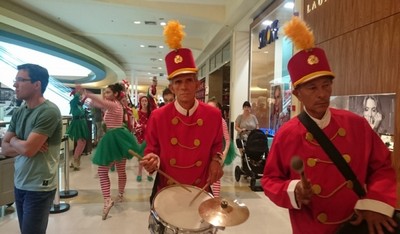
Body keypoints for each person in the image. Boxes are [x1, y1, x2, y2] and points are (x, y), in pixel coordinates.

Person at [261, 16, 397, 234]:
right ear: (297, 93)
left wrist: (375, 204)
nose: (322, 94)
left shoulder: (357, 125)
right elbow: (270, 180)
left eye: (326, 85)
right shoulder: (287, 134)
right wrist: (293, 190)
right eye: (312, 88)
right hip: (311, 225)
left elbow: (382, 167)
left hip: (357, 222)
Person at [140, 20, 224, 204]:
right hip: (167, 190)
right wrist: (151, 161)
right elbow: (151, 150)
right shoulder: (158, 116)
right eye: (178, 82)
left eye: (188, 80)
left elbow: (218, 145)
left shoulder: (213, 115)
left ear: (197, 84)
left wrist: (216, 161)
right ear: (172, 87)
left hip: (199, 189)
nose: (184, 87)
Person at [1, 63, 63, 234]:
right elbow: (4, 148)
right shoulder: (19, 112)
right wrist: (19, 143)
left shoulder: (49, 112)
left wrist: (16, 141)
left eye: (20, 80)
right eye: (16, 80)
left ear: (37, 85)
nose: (15, 85)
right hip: (19, 182)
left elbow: (28, 150)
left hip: (39, 187)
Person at [77, 82, 141, 220]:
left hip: (113, 138)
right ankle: (120, 195)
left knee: (102, 171)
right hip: (119, 138)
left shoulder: (114, 104)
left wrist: (86, 92)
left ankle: (107, 200)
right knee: (120, 169)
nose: (105, 95)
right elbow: (96, 104)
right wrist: (85, 98)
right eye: (105, 92)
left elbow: (99, 101)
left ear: (116, 95)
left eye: (107, 92)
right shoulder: (116, 105)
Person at [207, 97, 236, 197]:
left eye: (213, 108)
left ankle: (215, 199)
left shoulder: (221, 121)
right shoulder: (203, 120)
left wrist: (223, 154)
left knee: (215, 178)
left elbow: (227, 139)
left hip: (218, 154)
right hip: (206, 154)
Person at [66, 90, 89, 170]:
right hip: (77, 124)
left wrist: (85, 96)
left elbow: (81, 102)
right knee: (80, 142)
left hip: (81, 123)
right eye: (78, 95)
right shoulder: (73, 102)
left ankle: (76, 160)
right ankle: (75, 160)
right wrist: (79, 92)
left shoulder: (78, 104)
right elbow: (77, 99)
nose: (79, 96)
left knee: (83, 142)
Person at [134, 95, 153, 182]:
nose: (144, 102)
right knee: (141, 155)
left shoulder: (151, 113)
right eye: (143, 101)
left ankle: (149, 173)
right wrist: (139, 127)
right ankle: (139, 173)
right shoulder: (137, 112)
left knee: (149, 154)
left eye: (146, 101)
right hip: (141, 135)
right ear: (140, 102)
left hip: (149, 135)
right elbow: (136, 123)